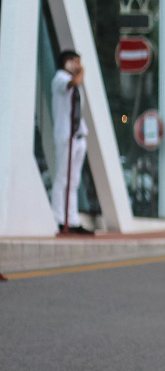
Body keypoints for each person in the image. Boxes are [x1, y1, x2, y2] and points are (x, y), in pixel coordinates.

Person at [49, 49, 93, 235]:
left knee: (73, 181)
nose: (79, 67)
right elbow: (73, 82)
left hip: (78, 136)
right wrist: (81, 72)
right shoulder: (60, 78)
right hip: (66, 136)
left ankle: (72, 219)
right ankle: (59, 218)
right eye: (75, 62)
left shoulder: (74, 83)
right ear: (66, 63)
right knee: (62, 178)